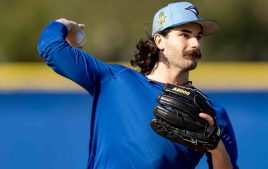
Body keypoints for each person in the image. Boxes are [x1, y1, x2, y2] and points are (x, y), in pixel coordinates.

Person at [38, 2, 238, 169]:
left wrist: (215, 145)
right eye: (185, 34)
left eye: (198, 36)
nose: (195, 43)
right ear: (160, 41)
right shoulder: (115, 81)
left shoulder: (211, 113)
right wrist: (65, 24)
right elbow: (50, 47)